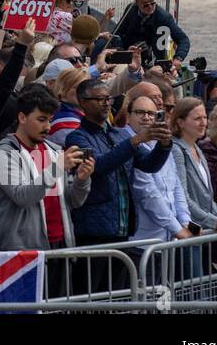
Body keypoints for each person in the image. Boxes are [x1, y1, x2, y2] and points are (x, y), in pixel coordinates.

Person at [66, 78, 173, 248]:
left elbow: (149, 164)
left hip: (123, 227)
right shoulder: (77, 137)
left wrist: (164, 144)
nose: (107, 103)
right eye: (100, 99)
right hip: (93, 230)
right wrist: (136, 140)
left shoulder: (120, 135)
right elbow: (99, 166)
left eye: (108, 98)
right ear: (83, 103)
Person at [0, 85, 93, 250]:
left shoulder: (54, 150)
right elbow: (22, 197)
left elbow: (73, 201)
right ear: (22, 118)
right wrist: (56, 168)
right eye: (41, 119)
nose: (48, 127)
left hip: (61, 243)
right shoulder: (4, 153)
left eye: (50, 120)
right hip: (25, 252)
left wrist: (82, 180)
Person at [125, 96, 193, 244]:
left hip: (167, 239)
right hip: (141, 241)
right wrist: (177, 228)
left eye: (151, 114)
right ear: (128, 117)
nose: (146, 118)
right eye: (140, 112)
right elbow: (147, 193)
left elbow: (176, 187)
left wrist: (185, 222)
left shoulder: (162, 143)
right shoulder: (126, 144)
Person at [171, 98, 217, 233]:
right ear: (180, 122)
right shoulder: (177, 150)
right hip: (190, 230)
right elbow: (183, 197)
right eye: (197, 119)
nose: (203, 123)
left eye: (205, 117)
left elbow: (208, 197)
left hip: (205, 229)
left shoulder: (197, 148)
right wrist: (214, 222)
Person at [114, 0, 190, 70]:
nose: (150, 7)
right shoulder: (131, 9)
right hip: (129, 54)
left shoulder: (164, 17)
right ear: (137, 3)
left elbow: (183, 39)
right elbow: (117, 32)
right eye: (145, 5)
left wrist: (178, 58)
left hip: (153, 62)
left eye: (153, 3)